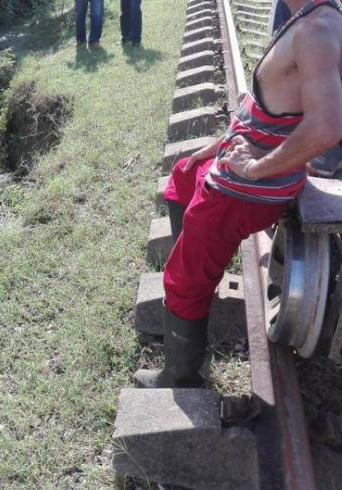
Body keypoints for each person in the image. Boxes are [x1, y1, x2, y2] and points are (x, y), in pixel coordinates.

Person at [135, 0, 342, 388]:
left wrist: (254, 167)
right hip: (249, 166)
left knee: (182, 277)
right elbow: (271, 109)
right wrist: (222, 144)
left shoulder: (316, 31)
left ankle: (179, 374)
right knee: (183, 175)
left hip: (246, 189)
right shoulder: (311, 16)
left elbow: (327, 127)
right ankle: (199, 273)